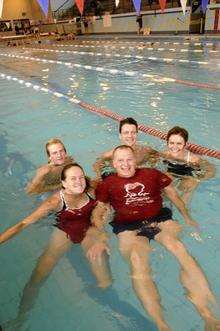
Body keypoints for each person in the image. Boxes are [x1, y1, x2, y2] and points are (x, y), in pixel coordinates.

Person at [88, 145, 220, 331]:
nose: (125, 164)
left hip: (160, 219)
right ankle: (161, 324)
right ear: (114, 163)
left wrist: (187, 216)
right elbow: (99, 210)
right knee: (137, 260)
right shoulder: (107, 184)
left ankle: (208, 315)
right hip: (128, 227)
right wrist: (100, 237)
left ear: (135, 160)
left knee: (178, 248)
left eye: (129, 159)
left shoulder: (151, 173)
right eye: (120, 160)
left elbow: (172, 194)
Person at [0, 163, 111, 326]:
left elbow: (106, 205)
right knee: (37, 278)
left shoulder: (91, 188)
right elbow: (24, 223)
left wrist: (102, 238)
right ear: (64, 183)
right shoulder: (54, 201)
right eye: (73, 178)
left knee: (105, 281)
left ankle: (101, 303)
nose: (79, 182)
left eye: (81, 177)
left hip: (89, 231)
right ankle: (21, 317)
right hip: (64, 232)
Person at [160, 126, 215, 204]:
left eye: (179, 143)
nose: (174, 147)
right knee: (162, 190)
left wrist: (199, 179)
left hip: (189, 175)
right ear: (167, 143)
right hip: (172, 172)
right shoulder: (165, 154)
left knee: (185, 192)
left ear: (185, 144)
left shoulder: (193, 159)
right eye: (171, 143)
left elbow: (211, 170)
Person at [93, 117, 158, 179]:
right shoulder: (110, 154)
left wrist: (153, 165)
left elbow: (157, 155)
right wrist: (99, 177)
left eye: (133, 132)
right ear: (120, 135)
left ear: (137, 134)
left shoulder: (145, 151)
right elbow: (97, 164)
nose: (130, 136)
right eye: (126, 133)